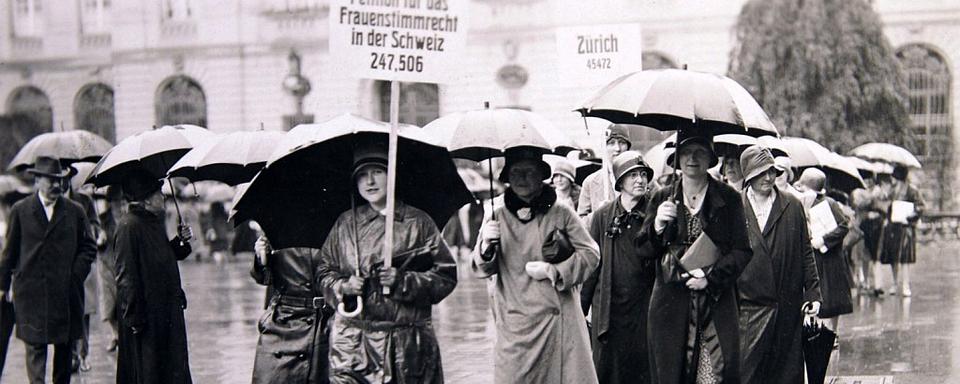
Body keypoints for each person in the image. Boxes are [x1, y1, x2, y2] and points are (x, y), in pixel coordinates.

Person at [317, 144, 457, 383]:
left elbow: (446, 277)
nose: (369, 181)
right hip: (353, 345)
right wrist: (343, 286)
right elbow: (323, 272)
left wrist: (404, 281)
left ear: (392, 176)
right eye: (362, 175)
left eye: (377, 172)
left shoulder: (419, 222)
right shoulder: (345, 224)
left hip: (408, 346)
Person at [473, 146, 600, 384]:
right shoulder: (496, 216)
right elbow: (481, 268)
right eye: (516, 172)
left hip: (557, 322)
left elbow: (591, 254)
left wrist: (556, 271)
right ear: (507, 177)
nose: (522, 178)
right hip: (515, 325)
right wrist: (486, 245)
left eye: (529, 171)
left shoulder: (561, 212)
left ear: (542, 175)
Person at [643, 132, 752, 384]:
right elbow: (644, 251)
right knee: (671, 372)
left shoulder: (729, 198)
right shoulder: (661, 197)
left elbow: (742, 251)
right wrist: (658, 225)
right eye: (687, 152)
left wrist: (709, 277)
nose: (693, 158)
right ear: (677, 158)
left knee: (715, 372)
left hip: (715, 302)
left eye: (700, 152)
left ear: (711, 158)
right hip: (670, 303)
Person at [0, 156, 97, 384]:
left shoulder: (75, 211)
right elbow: (9, 253)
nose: (56, 185)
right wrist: (2, 286)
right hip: (31, 295)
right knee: (36, 353)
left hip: (65, 295)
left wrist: (76, 274)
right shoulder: (21, 211)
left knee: (64, 355)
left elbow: (89, 246)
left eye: (59, 180)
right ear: (37, 181)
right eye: (50, 180)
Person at [735, 146, 822, 384]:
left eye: (772, 171)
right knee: (748, 373)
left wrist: (812, 293)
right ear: (748, 176)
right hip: (747, 307)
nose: (768, 177)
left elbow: (806, 251)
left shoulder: (792, 205)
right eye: (761, 172)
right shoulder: (734, 206)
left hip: (786, 305)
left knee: (786, 374)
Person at [581, 151, 656, 383]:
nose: (640, 180)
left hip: (644, 309)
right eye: (632, 175)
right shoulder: (602, 216)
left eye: (643, 174)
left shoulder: (655, 212)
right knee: (608, 371)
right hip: (610, 310)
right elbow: (592, 265)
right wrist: (581, 310)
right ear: (620, 182)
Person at [114, 169, 194, 384]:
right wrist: (134, 318)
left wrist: (180, 241)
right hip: (146, 318)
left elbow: (162, 256)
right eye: (159, 193)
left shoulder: (152, 222)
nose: (163, 197)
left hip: (164, 311)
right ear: (146, 200)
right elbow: (126, 276)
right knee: (149, 372)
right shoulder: (128, 226)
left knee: (169, 370)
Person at [251, 237, 334, 383]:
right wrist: (261, 258)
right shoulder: (279, 227)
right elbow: (265, 278)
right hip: (283, 323)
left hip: (326, 324)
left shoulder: (339, 227)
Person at [796, 168, 852, 333]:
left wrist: (824, 240)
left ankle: (831, 333)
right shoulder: (798, 203)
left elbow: (843, 227)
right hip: (812, 258)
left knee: (831, 298)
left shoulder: (829, 203)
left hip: (830, 259)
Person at [65, 182, 101, 372]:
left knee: (84, 312)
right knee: (66, 314)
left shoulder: (83, 201)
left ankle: (83, 355)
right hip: (62, 267)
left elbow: (95, 223)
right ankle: (71, 356)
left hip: (82, 266)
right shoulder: (52, 202)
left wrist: (94, 232)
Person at [877, 165, 924, 297]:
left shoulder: (911, 190)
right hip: (893, 226)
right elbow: (886, 206)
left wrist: (912, 215)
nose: (892, 180)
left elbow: (920, 206)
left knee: (905, 258)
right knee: (893, 257)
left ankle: (905, 284)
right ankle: (895, 283)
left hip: (906, 227)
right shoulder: (892, 191)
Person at [579, 124, 632, 218]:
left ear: (628, 147)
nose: (617, 149)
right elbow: (581, 223)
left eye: (622, 142)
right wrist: (599, 214)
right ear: (604, 147)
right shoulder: (590, 182)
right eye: (611, 143)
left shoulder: (642, 178)